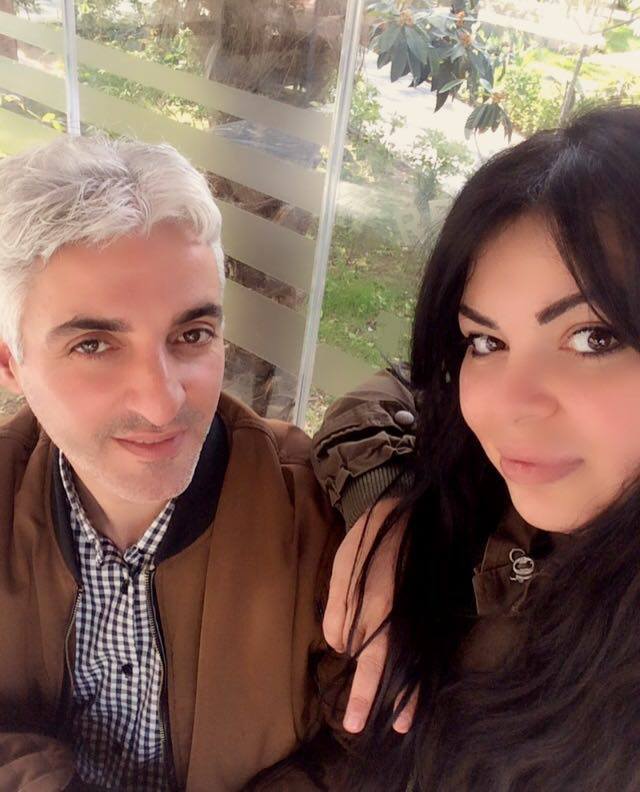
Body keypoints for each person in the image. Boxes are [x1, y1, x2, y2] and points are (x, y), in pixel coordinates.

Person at [251, 104, 640, 790]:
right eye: (486, 341)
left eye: (593, 337)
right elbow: (400, 391)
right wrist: (397, 504)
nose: (510, 404)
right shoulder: (482, 513)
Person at [0, 135, 390, 792]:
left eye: (191, 335)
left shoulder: (322, 525)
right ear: (11, 363)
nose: (162, 404)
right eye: (94, 345)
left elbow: (363, 751)